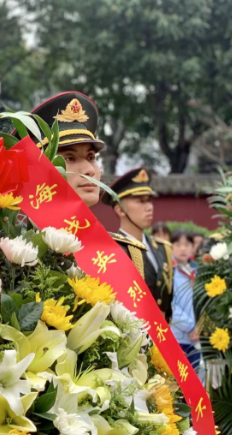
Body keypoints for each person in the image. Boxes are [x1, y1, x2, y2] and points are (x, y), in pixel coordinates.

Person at [28, 92, 148, 279]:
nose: (90, 170)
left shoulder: (124, 253)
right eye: (69, 158)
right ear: (38, 171)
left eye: (91, 157)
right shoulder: (12, 248)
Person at [102, 167, 173, 320]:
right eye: (141, 201)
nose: (149, 207)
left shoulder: (163, 248)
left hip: (162, 337)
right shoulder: (113, 251)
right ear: (120, 209)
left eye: (149, 200)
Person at [170, 229, 201, 380]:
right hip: (177, 337)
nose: (182, 248)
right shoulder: (169, 272)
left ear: (193, 247)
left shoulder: (199, 272)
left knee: (196, 380)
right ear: (171, 246)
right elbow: (171, 305)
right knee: (178, 381)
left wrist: (200, 327)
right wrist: (190, 327)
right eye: (177, 244)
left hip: (198, 337)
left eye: (187, 244)